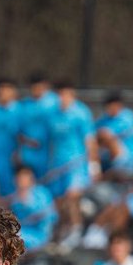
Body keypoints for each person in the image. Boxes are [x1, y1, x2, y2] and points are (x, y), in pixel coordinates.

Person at [45, 80, 98, 249]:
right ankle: (65, 229)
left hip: (76, 163)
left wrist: (93, 164)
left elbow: (89, 139)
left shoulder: (81, 113)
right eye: (60, 94)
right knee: (60, 201)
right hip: (58, 164)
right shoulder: (52, 115)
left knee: (72, 195)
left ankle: (76, 229)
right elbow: (51, 141)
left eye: (66, 94)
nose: (63, 98)